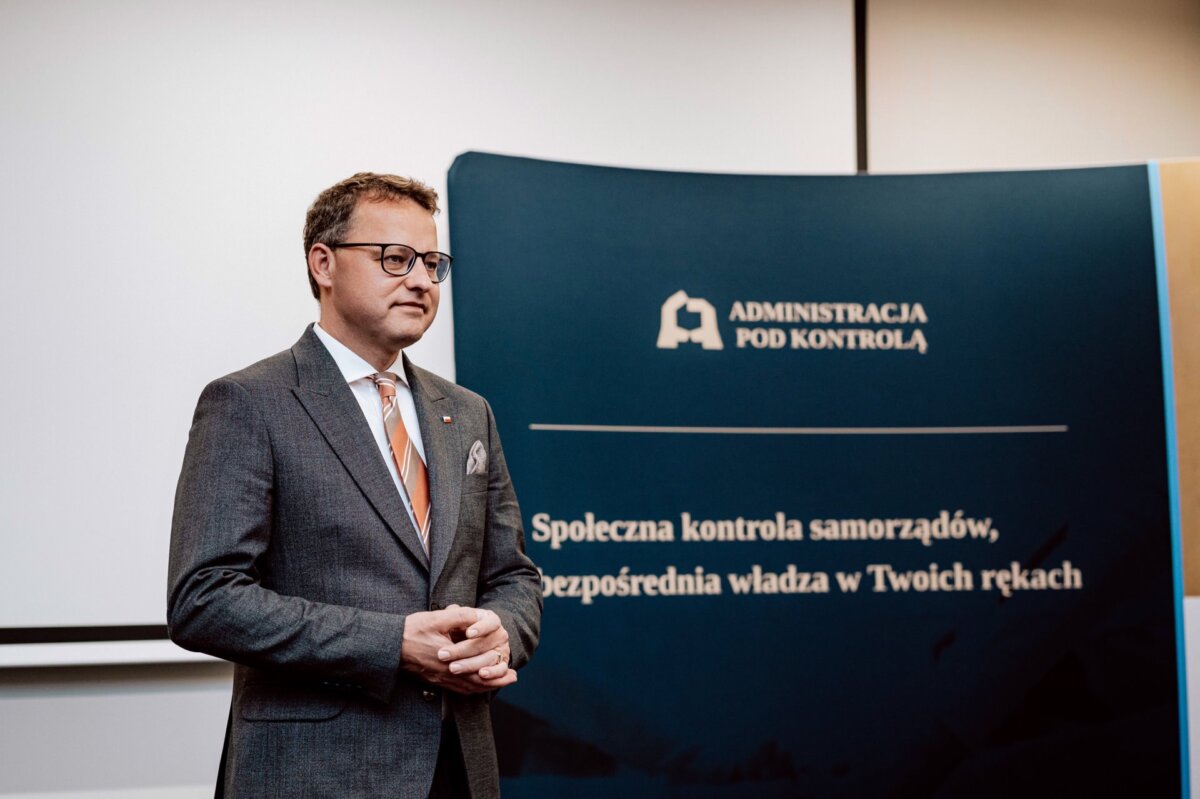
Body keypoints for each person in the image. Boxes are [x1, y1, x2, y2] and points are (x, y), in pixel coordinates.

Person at [167, 172, 542, 798]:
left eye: (432, 263)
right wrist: (391, 643)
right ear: (324, 264)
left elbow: (512, 575)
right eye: (395, 259)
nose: (421, 280)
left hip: (458, 764)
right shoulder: (249, 403)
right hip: (316, 773)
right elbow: (203, 599)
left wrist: (501, 631)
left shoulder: (467, 412)